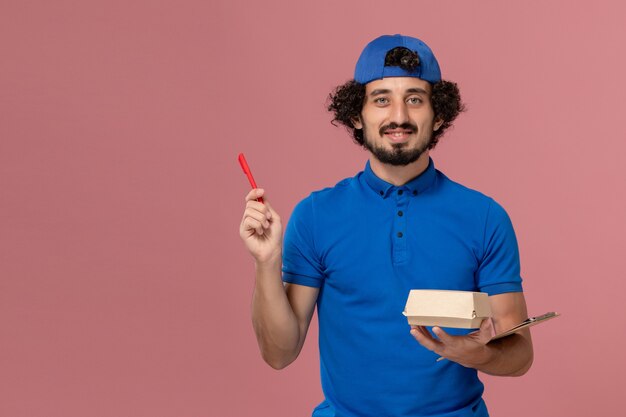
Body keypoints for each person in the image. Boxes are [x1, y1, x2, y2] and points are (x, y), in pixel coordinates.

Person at [239, 34, 533, 417]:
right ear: (357, 116)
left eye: (415, 99)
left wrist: (481, 355)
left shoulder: (485, 217)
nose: (399, 116)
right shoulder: (315, 215)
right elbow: (279, 353)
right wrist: (266, 262)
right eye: (381, 99)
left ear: (438, 113)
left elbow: (520, 352)